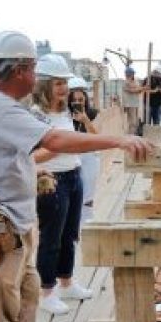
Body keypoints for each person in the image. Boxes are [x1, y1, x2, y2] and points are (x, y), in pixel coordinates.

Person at [0, 31, 153, 322]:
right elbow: (55, 139)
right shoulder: (0, 106)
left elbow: (0, 159)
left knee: (27, 293)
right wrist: (119, 139)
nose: (35, 78)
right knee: (2, 306)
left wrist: (31, 174)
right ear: (20, 69)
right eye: (33, 70)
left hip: (9, 222)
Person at [30, 54, 89, 315]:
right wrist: (57, 149)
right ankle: (47, 291)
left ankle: (67, 282)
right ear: (44, 86)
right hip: (51, 181)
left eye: (64, 82)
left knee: (70, 234)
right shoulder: (35, 116)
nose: (64, 88)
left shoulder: (65, 112)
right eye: (57, 83)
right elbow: (29, 157)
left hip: (74, 175)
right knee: (51, 238)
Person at [68, 76, 99, 222]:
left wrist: (85, 120)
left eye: (81, 100)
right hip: (71, 158)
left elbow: (96, 138)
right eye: (75, 100)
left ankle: (87, 223)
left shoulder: (92, 113)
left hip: (88, 157)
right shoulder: (64, 117)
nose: (78, 103)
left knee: (88, 197)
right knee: (74, 196)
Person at [122, 67, 144, 134]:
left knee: (135, 121)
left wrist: (141, 89)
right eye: (131, 73)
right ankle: (131, 136)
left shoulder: (135, 81)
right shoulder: (126, 82)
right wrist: (142, 88)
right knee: (132, 121)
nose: (132, 75)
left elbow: (138, 90)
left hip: (135, 103)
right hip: (129, 104)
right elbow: (132, 90)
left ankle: (134, 134)